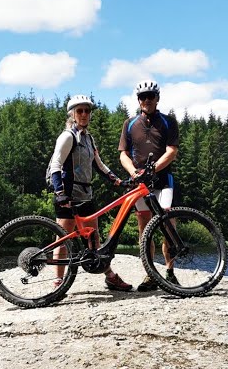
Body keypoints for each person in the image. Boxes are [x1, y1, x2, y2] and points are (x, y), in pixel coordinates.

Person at [48, 94, 134, 291]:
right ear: (72, 114)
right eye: (80, 111)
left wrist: (118, 181)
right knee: (63, 237)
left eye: (87, 110)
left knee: (93, 237)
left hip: (86, 193)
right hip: (68, 193)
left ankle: (109, 276)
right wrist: (60, 192)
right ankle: (58, 282)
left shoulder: (88, 139)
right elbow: (56, 163)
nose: (84, 114)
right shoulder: (67, 136)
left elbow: (99, 164)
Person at [118, 80, 181, 291]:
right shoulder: (130, 123)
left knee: (168, 227)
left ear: (157, 98)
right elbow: (123, 154)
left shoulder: (168, 121)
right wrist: (134, 172)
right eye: (142, 97)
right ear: (138, 100)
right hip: (140, 185)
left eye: (150, 96)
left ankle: (170, 272)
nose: (146, 100)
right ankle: (150, 275)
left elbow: (172, 151)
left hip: (163, 183)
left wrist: (153, 168)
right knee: (145, 230)